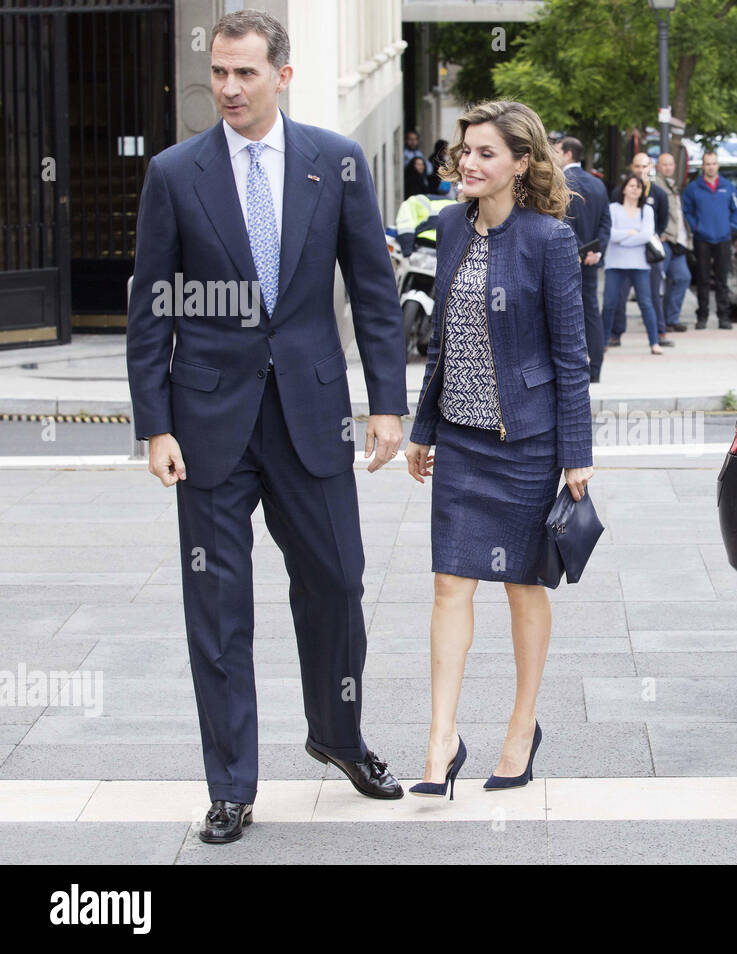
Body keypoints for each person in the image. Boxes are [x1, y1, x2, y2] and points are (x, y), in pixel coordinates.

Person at [125, 10, 408, 845]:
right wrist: (155, 425)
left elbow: (372, 290)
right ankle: (231, 786)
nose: (228, 88)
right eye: (218, 72)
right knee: (217, 611)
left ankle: (339, 735)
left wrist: (386, 402)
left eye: (245, 73)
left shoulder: (338, 162)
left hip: (311, 415)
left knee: (338, 583)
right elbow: (151, 309)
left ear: (283, 75)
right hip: (207, 423)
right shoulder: (176, 173)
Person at [404, 100, 594, 798]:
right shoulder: (451, 225)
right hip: (459, 439)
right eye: (465, 151)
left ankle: (521, 726)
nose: (469, 163)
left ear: (521, 162)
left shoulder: (548, 240)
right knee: (449, 584)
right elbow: (442, 347)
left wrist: (577, 452)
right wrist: (423, 430)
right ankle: (440, 738)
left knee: (521, 585)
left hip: (526, 444)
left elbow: (571, 358)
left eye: (486, 153)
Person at [555, 136, 611, 382]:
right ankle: (596, 367)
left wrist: (579, 250)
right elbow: (606, 221)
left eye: (556, 150)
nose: (553, 155)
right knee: (591, 312)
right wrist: (595, 251)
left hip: (567, 260)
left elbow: (561, 220)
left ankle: (571, 366)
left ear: (568, 154)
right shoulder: (598, 184)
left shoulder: (560, 182)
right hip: (590, 259)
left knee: (565, 313)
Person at [608, 153, 673, 347]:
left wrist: (649, 236)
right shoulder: (619, 193)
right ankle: (615, 333)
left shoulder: (659, 193)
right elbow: (611, 226)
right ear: (631, 168)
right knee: (619, 296)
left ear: (650, 167)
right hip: (623, 255)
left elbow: (662, 222)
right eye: (637, 166)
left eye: (645, 166)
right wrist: (631, 236)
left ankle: (659, 333)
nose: (641, 170)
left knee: (652, 295)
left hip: (649, 254)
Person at [602, 172, 665, 354]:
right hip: (615, 263)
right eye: (631, 186)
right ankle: (603, 341)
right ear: (623, 189)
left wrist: (624, 238)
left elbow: (646, 235)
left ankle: (654, 342)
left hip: (639, 264)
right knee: (609, 304)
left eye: (638, 187)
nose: (635, 190)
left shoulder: (647, 210)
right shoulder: (613, 208)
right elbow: (610, 234)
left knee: (646, 303)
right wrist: (630, 233)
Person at [682, 150, 737, 329]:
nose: (711, 167)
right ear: (703, 166)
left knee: (722, 280)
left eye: (713, 163)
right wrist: (696, 227)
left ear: (718, 165)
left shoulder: (728, 186)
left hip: (723, 238)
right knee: (702, 279)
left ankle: (724, 317)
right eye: (707, 163)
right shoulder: (693, 188)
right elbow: (687, 211)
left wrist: (732, 228)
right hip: (702, 239)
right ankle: (702, 316)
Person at [653, 150, 692, 333]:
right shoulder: (656, 185)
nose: (668, 167)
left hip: (678, 241)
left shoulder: (673, 185)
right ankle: (659, 322)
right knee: (659, 283)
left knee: (683, 277)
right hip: (665, 239)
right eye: (664, 164)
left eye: (670, 164)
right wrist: (657, 232)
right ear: (657, 167)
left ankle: (671, 319)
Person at [394, 190, 456, 256]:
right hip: (449, 248)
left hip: (424, 245)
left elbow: (405, 227)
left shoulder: (414, 200)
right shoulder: (456, 203)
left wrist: (407, 251)